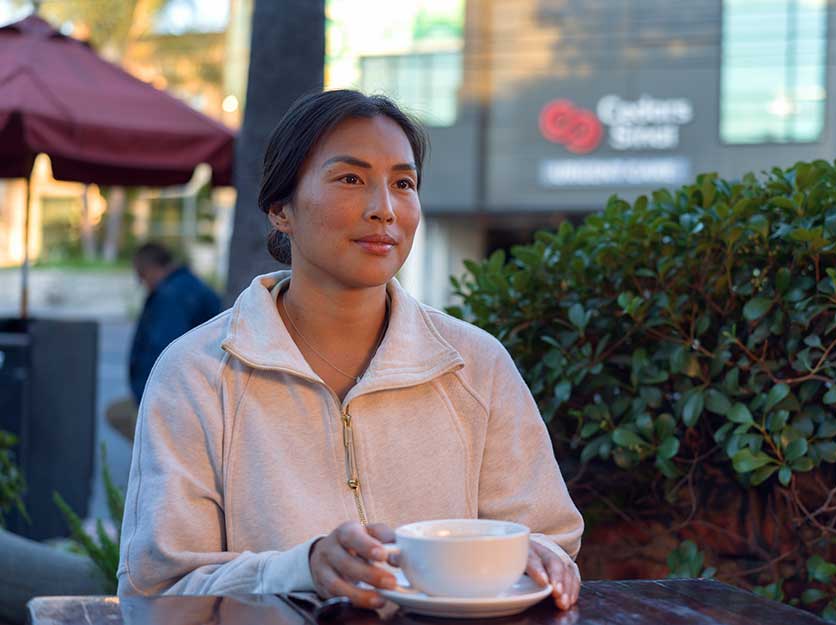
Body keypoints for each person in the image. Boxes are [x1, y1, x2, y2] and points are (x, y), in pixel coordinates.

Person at [116, 90, 584, 611]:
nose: (384, 209)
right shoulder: (197, 372)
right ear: (280, 209)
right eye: (350, 179)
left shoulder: (476, 364)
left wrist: (541, 556)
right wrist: (304, 567)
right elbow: (156, 590)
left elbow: (545, 535)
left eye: (403, 184)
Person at [105, 243, 221, 441]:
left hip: (172, 402)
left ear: (150, 269)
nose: (142, 284)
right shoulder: (186, 286)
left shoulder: (171, 296)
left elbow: (166, 353)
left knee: (126, 423)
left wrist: (154, 404)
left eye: (141, 276)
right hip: (185, 398)